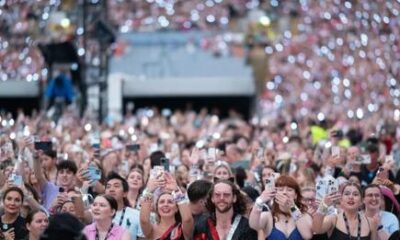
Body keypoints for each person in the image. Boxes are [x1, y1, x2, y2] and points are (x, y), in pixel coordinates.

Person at [249, 175, 313, 240]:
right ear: (275, 194)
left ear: (295, 195)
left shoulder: (304, 215)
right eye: (280, 189)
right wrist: (260, 201)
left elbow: (307, 235)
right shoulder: (268, 216)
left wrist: (292, 207)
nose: (284, 192)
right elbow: (253, 225)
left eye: (289, 190)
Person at [193, 179, 257, 240]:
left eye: (226, 195)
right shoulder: (202, 225)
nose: (222, 198)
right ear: (212, 198)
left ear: (234, 198)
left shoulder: (246, 226)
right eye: (217, 195)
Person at [312, 182, 377, 240]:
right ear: (341, 200)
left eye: (355, 194)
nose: (351, 197)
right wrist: (323, 206)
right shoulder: (334, 219)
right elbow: (316, 229)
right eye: (347, 194)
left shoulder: (371, 222)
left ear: (361, 201)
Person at [140, 171, 193, 240]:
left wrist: (176, 190)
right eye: (162, 202)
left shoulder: (183, 229)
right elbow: (144, 220)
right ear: (157, 208)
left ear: (177, 208)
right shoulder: (152, 230)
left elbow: (187, 220)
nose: (165, 204)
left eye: (170, 202)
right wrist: (148, 191)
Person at [105, 172, 143, 239]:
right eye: (108, 187)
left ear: (125, 193)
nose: (111, 189)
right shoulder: (96, 211)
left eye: (116, 186)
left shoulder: (137, 215)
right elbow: (82, 215)